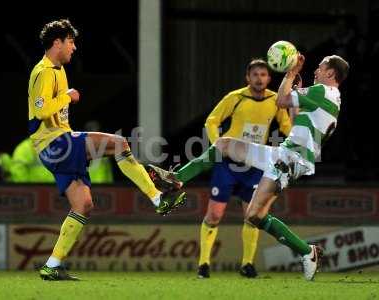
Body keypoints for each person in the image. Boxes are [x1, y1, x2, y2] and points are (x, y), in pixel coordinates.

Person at [28, 19, 184, 280]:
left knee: (84, 204)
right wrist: (68, 96)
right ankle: (157, 198)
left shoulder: (57, 70)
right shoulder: (44, 71)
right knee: (120, 143)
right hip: (55, 143)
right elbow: (43, 110)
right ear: (57, 43)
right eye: (71, 41)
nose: (74, 47)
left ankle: (52, 265)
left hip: (56, 146)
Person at [148, 59, 292, 278]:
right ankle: (204, 265)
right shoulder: (235, 98)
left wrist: (293, 140)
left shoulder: (275, 100)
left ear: (269, 79)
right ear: (248, 78)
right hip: (227, 164)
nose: (259, 78)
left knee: (252, 216)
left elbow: (286, 127)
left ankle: (247, 265)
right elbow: (211, 121)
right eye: (255, 74)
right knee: (214, 215)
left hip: (253, 165)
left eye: (263, 75)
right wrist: (217, 144)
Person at [213, 54, 349, 280]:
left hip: (289, 158)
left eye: (319, 67)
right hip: (288, 155)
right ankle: (308, 252)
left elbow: (280, 100)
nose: (315, 71)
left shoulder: (323, 91)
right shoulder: (331, 97)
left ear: (330, 73)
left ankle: (307, 252)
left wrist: (291, 73)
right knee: (252, 211)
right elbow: (295, 119)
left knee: (253, 211)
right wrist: (296, 95)